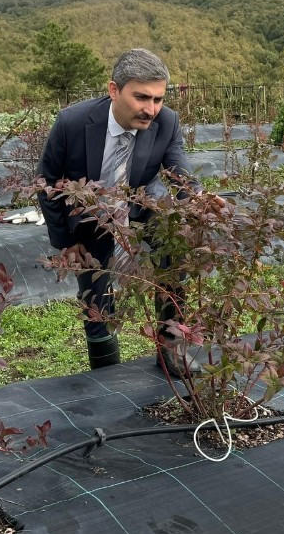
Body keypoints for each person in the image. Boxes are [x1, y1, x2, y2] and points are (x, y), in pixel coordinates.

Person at [37, 48, 200, 374]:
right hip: (91, 213)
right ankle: (105, 367)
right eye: (141, 97)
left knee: (175, 241)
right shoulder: (73, 122)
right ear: (114, 90)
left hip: (141, 202)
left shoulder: (167, 122)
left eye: (158, 99)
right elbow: (48, 183)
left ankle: (171, 347)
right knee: (95, 289)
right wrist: (66, 242)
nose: (151, 109)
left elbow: (180, 172)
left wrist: (198, 201)